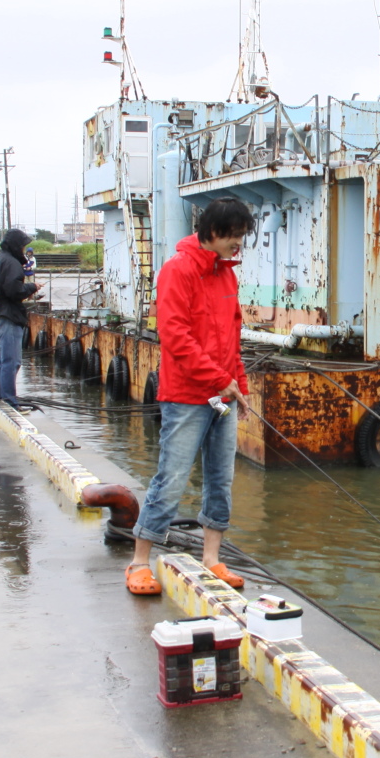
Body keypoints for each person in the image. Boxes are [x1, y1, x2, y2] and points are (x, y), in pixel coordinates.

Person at [126, 197, 256, 597]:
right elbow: (175, 336)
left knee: (221, 479)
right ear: (214, 232)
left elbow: (232, 338)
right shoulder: (177, 270)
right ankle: (139, 562)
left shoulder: (227, 275)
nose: (239, 243)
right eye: (235, 235)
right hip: (186, 397)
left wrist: (239, 387)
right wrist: (219, 379)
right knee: (171, 478)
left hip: (222, 398)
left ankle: (212, 557)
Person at [0, 228, 39, 407]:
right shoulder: (11, 263)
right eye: (22, 246)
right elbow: (14, 291)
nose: (23, 249)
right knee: (11, 361)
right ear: (16, 245)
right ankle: (9, 401)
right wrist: (32, 287)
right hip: (6, 317)